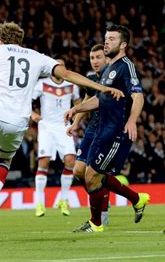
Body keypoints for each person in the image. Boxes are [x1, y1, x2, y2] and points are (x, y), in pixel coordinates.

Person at [0, 22, 123, 233]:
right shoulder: (36, 55)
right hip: (18, 120)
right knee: (4, 159)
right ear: (19, 39)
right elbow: (68, 75)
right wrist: (101, 87)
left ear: (0, 40)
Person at [64, 25, 150, 232]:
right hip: (102, 130)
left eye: (111, 39)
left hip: (117, 132)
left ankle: (97, 223)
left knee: (92, 176)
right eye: (106, 38)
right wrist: (77, 109)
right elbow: (99, 100)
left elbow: (138, 95)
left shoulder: (126, 67)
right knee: (84, 173)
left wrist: (132, 120)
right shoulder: (109, 69)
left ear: (123, 45)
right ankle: (136, 200)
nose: (106, 41)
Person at [65, 44, 111, 225]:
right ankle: (100, 197)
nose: (95, 61)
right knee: (78, 171)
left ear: (107, 59)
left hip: (107, 129)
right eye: (92, 58)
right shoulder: (91, 78)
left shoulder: (112, 78)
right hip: (92, 128)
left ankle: (102, 212)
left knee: (96, 173)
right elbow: (87, 100)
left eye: (98, 57)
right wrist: (75, 123)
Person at [32, 59, 81, 217]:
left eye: (62, 65)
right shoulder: (42, 83)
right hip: (46, 126)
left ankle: (64, 199)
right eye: (57, 66)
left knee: (70, 161)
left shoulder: (72, 85)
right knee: (44, 162)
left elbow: (79, 102)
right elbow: (26, 100)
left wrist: (76, 119)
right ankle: (39, 202)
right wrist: (32, 114)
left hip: (64, 126)